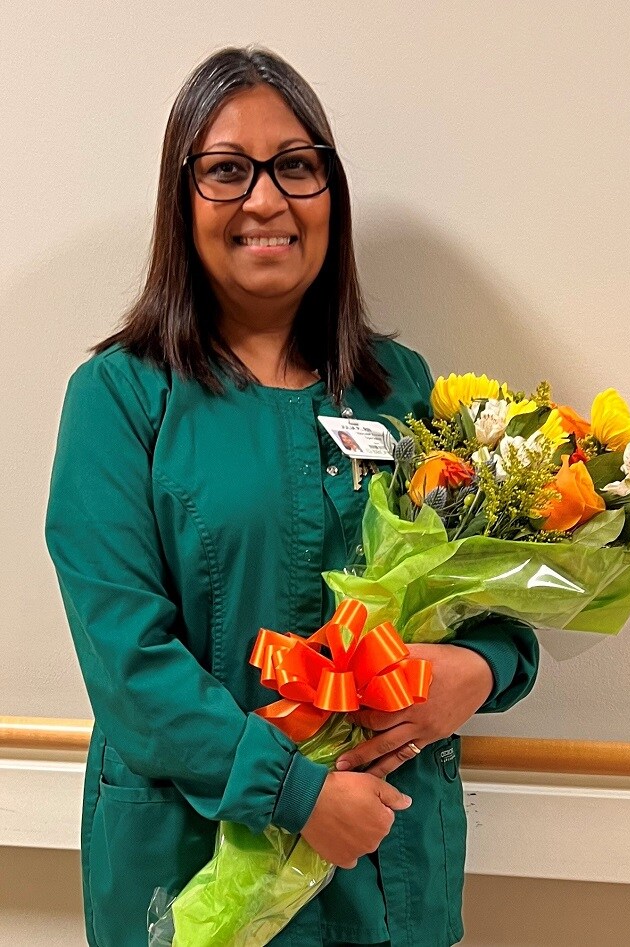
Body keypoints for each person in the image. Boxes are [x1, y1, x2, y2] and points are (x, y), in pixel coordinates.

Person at [44, 46, 539, 947]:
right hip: (194, 867)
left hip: (387, 870)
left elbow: (482, 595)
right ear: (181, 198)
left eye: (296, 167)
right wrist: (298, 794)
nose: (265, 200)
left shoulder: (405, 391)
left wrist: (487, 668)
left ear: (330, 195)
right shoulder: (121, 398)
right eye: (227, 171)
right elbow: (127, 658)